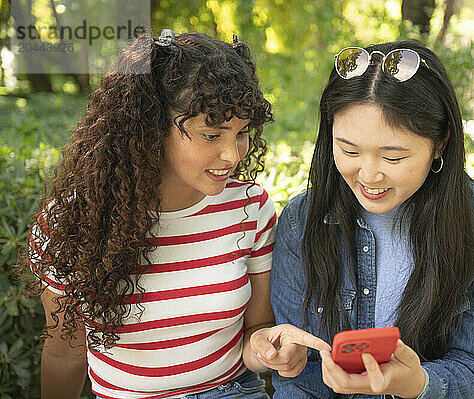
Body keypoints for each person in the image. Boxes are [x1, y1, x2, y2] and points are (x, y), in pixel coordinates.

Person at [21, 30, 329, 399]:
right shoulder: (72, 222)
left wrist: (271, 349)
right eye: (212, 136)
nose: (233, 155)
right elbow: (63, 352)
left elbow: (257, 330)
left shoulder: (249, 207)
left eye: (242, 133)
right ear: (151, 129)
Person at [270, 41, 474, 398]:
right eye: (349, 150)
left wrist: (417, 384)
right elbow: (299, 376)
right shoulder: (302, 220)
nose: (368, 175)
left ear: (440, 143)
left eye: (393, 157)